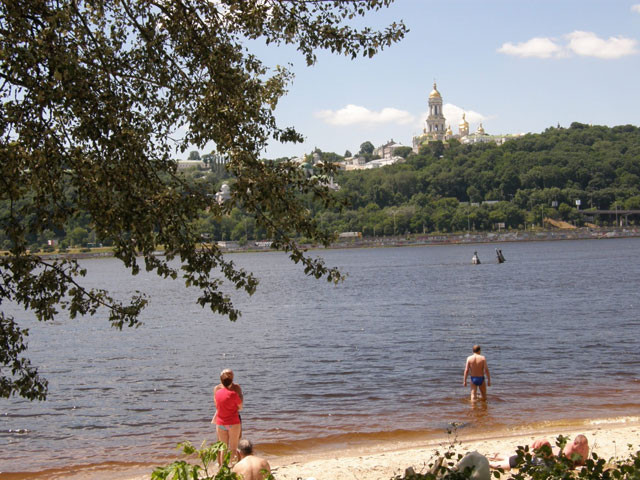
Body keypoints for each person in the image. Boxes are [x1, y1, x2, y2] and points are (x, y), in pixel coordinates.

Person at [212, 369, 243, 463]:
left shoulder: (237, 387)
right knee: (223, 446)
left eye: (231, 374)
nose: (230, 376)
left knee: (233, 443)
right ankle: (221, 465)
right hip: (225, 418)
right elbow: (240, 405)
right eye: (228, 374)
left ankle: (232, 465)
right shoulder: (217, 388)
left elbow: (240, 402)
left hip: (226, 417)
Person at [489, 438, 554, 470]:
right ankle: (496, 458)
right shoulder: (550, 459)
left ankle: (495, 458)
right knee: (504, 461)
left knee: (496, 464)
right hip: (519, 460)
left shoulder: (542, 459)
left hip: (520, 460)